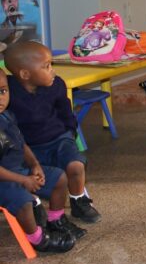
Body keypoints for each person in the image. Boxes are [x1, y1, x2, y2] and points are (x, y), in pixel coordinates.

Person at [5, 41, 101, 223]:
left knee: (76, 166)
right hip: (28, 148)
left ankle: (79, 201)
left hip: (59, 140)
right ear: (25, 74)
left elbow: (66, 111)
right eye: (47, 66)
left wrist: (70, 133)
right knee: (38, 177)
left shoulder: (56, 85)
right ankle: (35, 204)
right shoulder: (9, 92)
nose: (53, 71)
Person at [0, 70, 81, 253]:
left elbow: (22, 144)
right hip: (4, 181)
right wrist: (23, 181)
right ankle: (37, 238)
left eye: (3, 91)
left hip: (18, 172)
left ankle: (56, 220)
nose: (0, 98)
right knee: (21, 197)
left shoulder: (7, 115)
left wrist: (34, 165)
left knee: (59, 177)